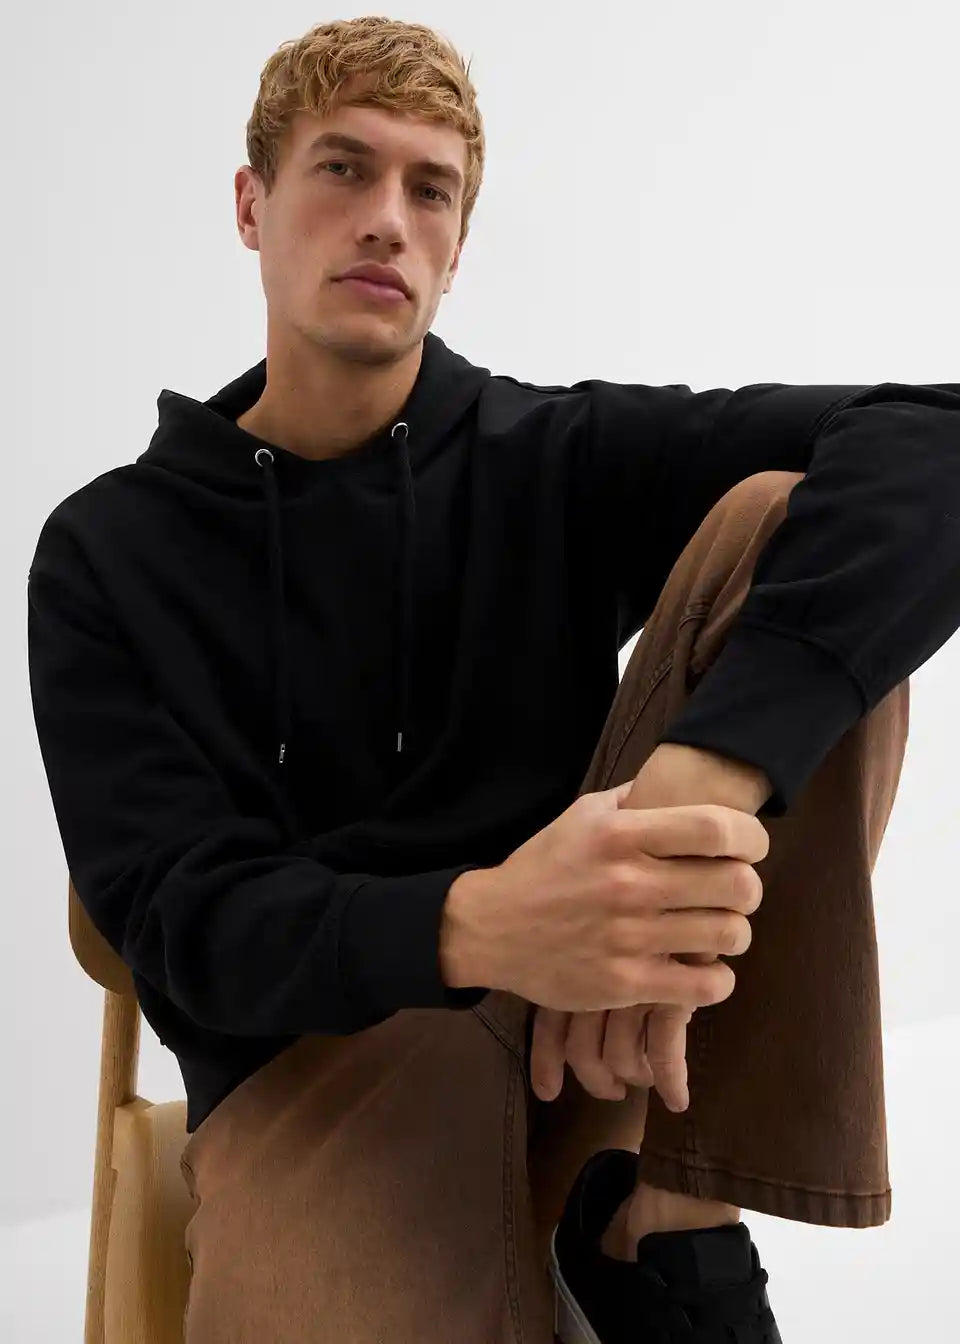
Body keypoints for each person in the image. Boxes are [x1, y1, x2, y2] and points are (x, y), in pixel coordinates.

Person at [26, 16, 960, 1344]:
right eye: (342, 168)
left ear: (458, 245)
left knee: (790, 520)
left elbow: (933, 444)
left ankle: (669, 1217)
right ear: (251, 205)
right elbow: (176, 916)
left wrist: (705, 777)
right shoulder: (108, 551)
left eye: (431, 189)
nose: (387, 219)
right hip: (316, 1068)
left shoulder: (548, 454)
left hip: (602, 1023)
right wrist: (478, 924)